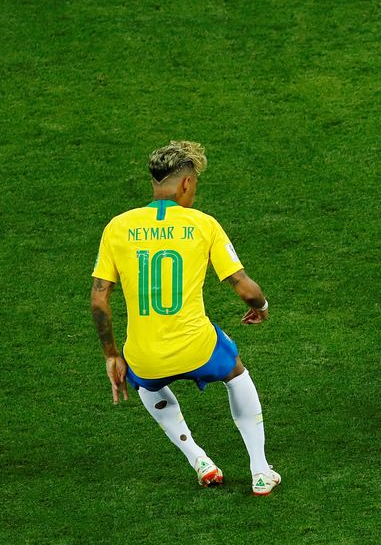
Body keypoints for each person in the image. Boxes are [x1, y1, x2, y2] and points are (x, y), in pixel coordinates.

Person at [90, 141, 281, 496]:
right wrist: (262, 307)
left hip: (146, 356)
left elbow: (99, 299)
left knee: (146, 382)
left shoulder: (117, 227)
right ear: (186, 184)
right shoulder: (203, 224)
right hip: (199, 348)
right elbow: (245, 289)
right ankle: (259, 469)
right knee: (236, 372)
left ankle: (199, 460)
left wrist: (112, 356)